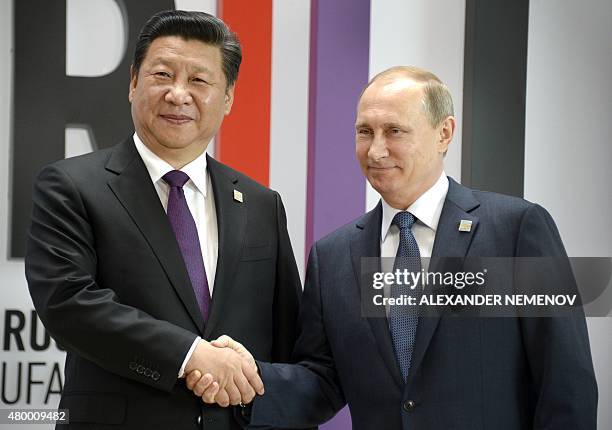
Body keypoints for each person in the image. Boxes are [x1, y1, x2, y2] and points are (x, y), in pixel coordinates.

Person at [190, 66, 598, 429]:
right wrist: (248, 379)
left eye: (395, 131)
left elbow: (566, 379)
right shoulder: (333, 256)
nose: (376, 150)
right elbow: (324, 380)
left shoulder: (516, 229)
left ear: (445, 133)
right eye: (364, 132)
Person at [25, 10, 301, 429]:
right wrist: (192, 354)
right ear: (133, 82)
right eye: (162, 74)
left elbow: (286, 339)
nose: (178, 94)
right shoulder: (71, 185)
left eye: (198, 80)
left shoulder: (262, 203)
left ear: (228, 97)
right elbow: (69, 304)